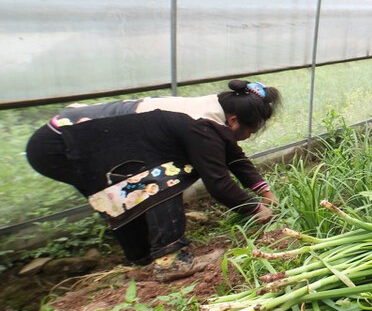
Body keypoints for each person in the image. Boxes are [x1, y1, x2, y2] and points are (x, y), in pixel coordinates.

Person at [25, 79, 281, 276]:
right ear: (234, 120)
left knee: (125, 192)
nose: (248, 136)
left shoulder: (212, 112)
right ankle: (171, 260)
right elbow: (218, 182)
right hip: (61, 144)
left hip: (65, 137)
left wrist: (265, 191)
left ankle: (142, 258)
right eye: (250, 130)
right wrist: (256, 208)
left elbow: (233, 157)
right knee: (160, 178)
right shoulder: (201, 124)